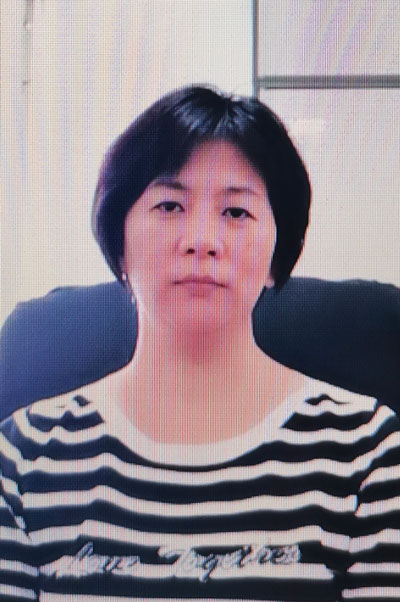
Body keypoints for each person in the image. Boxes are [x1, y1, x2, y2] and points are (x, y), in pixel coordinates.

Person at [0, 85, 399, 601]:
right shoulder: (25, 459)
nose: (201, 241)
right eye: (170, 205)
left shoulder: (366, 452)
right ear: (119, 243)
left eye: (236, 212)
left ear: (278, 253)